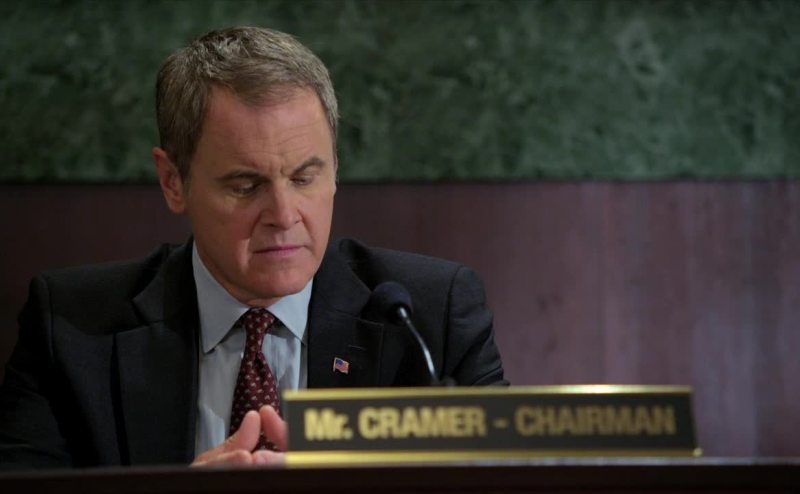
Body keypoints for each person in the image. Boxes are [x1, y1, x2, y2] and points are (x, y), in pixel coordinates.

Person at [0, 26, 506, 470]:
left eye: (304, 178)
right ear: (173, 182)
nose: (284, 215)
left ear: (335, 169)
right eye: (246, 186)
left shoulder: (428, 320)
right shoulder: (72, 329)